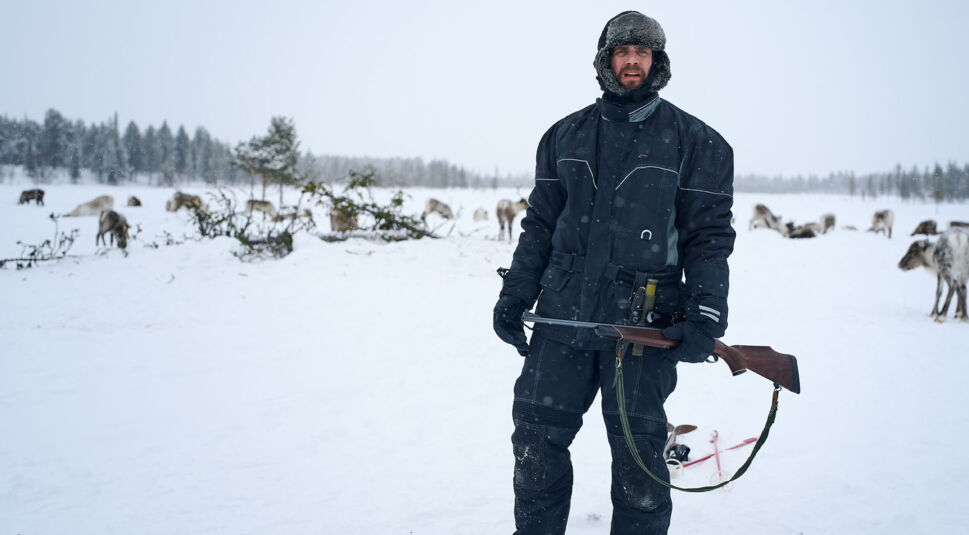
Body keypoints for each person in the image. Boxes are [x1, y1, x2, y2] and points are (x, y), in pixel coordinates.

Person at [493, 11, 736, 535]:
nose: (632, 62)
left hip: (644, 324)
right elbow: (539, 225)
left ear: (657, 62)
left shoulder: (699, 143)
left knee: (639, 462)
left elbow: (709, 238)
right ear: (605, 61)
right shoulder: (564, 136)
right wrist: (515, 296)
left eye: (642, 53)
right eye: (622, 52)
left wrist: (706, 313)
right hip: (563, 318)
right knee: (535, 440)